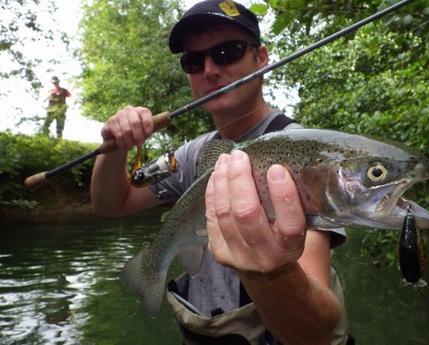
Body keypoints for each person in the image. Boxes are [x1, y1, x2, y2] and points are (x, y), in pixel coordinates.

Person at [91, 1, 352, 344]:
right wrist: (115, 146)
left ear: (261, 58)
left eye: (227, 52)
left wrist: (269, 272)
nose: (210, 70)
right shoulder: (191, 155)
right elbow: (112, 204)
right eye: (194, 61)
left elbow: (315, 334)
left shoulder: (308, 157)